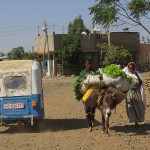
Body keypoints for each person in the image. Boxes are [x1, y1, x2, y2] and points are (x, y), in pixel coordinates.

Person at [80, 59, 97, 132]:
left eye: (90, 64)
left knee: (92, 109)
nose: (89, 65)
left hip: (93, 93)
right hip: (85, 94)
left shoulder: (94, 72)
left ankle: (92, 121)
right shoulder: (82, 73)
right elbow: (80, 83)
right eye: (88, 64)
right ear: (85, 65)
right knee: (87, 110)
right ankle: (89, 125)